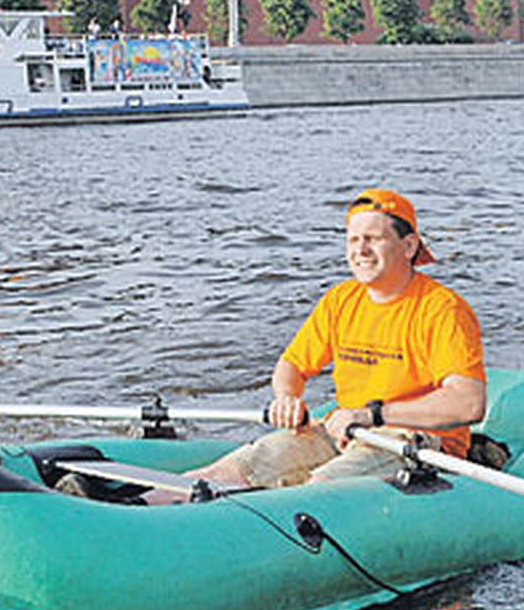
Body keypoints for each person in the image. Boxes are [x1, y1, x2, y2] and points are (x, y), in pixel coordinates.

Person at [184, 188, 486, 494]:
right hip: (345, 431)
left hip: (414, 440)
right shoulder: (340, 300)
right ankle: (144, 509)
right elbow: (291, 365)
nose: (361, 250)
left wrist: (374, 415)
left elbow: (468, 403)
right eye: (354, 240)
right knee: (229, 471)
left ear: (408, 246)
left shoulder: (443, 309)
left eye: (373, 239)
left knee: (322, 487)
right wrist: (287, 397)